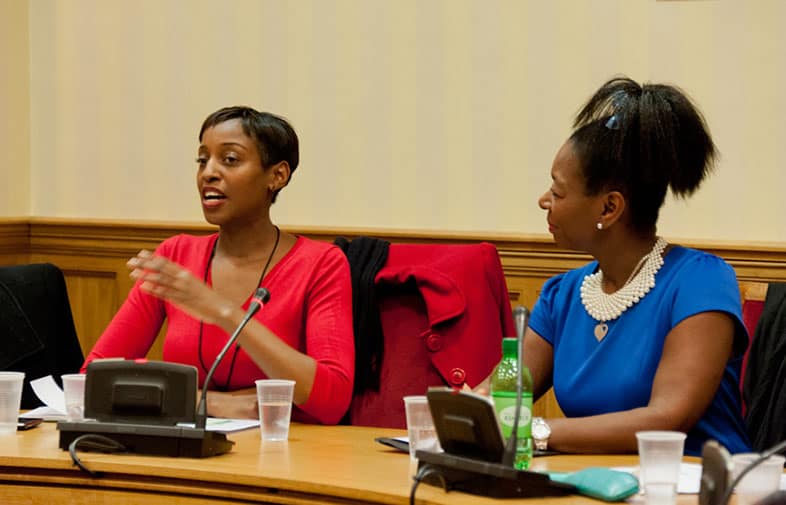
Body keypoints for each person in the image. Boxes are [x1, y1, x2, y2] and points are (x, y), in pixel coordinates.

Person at [82, 106, 354, 425]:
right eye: (202, 160)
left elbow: (333, 398)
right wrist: (215, 403)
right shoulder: (176, 256)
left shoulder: (320, 263)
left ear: (277, 176)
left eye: (230, 160)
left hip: (282, 453)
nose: (208, 173)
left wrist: (221, 311)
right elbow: (92, 381)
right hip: (186, 450)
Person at [525, 76, 751, 456]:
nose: (543, 200)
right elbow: (502, 393)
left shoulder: (701, 282)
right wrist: (465, 411)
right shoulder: (559, 296)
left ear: (609, 208)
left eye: (558, 190)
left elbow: (665, 420)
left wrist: (532, 430)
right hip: (593, 488)